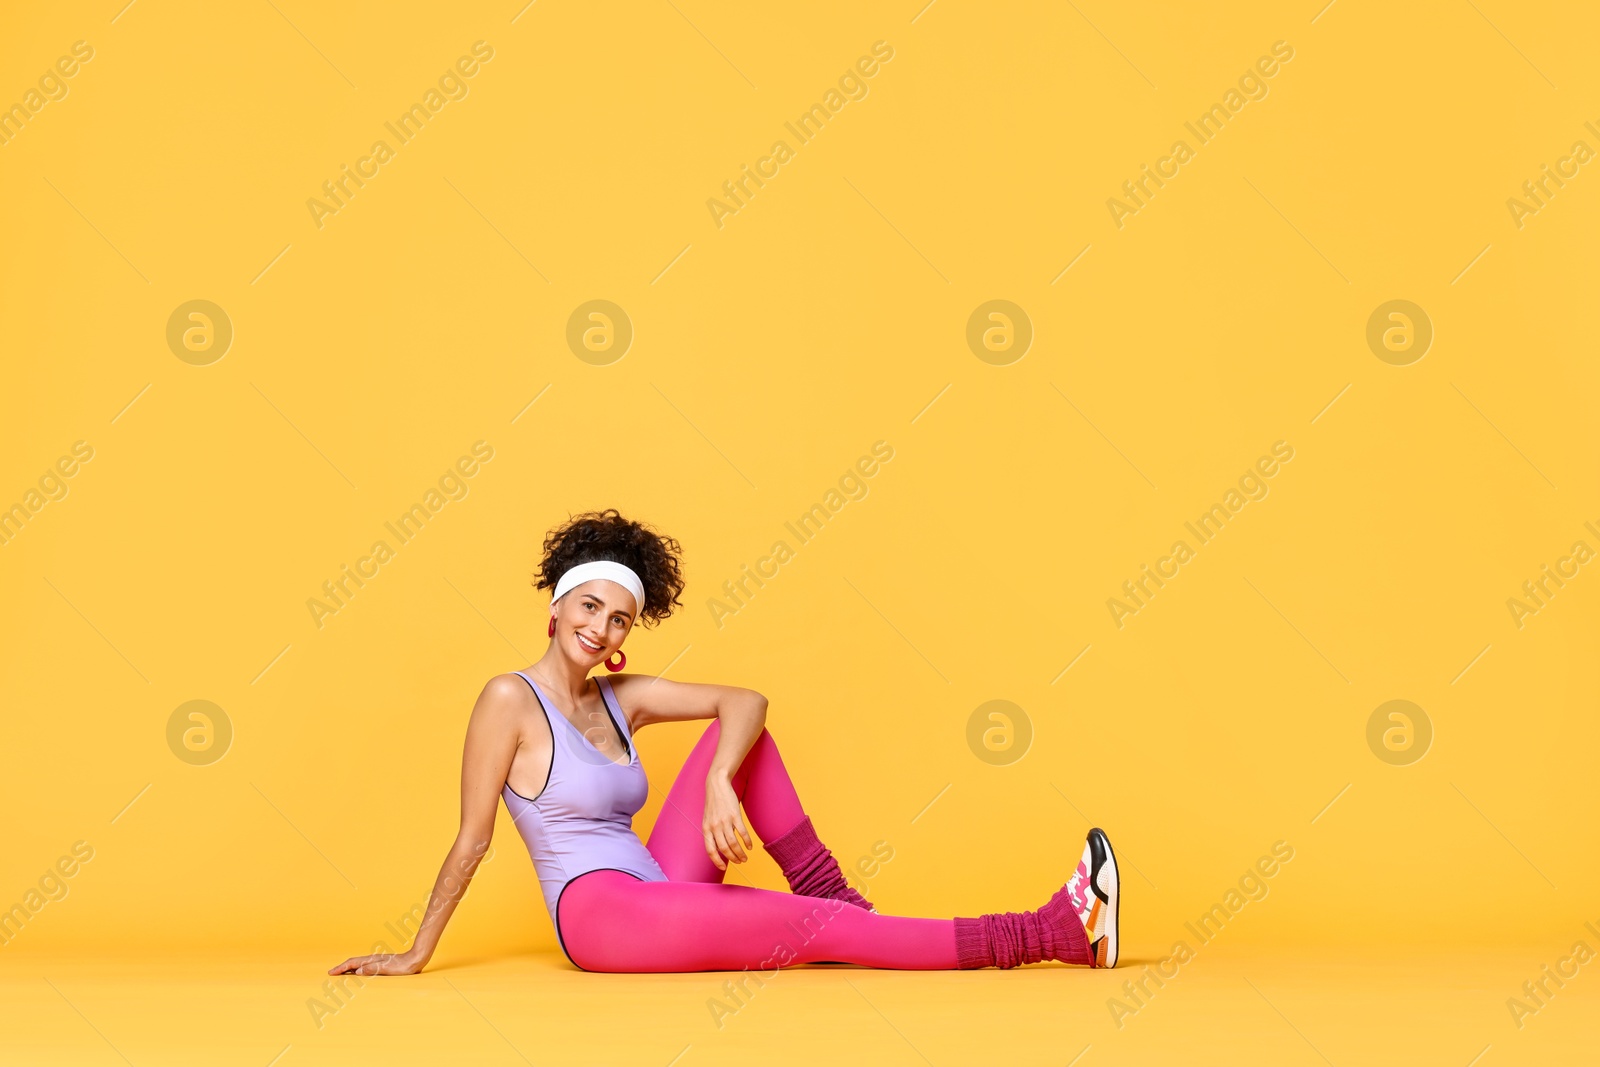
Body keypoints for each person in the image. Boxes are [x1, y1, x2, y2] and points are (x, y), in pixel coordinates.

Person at [330, 508, 1120, 976]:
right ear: (557, 605)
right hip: (601, 914)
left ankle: (837, 897)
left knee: (738, 744)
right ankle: (1049, 931)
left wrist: (717, 784)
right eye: (589, 606)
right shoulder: (508, 698)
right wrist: (414, 951)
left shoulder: (623, 698)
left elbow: (746, 701)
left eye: (618, 619)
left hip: (656, 881)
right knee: (815, 933)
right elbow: (472, 841)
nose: (599, 627)